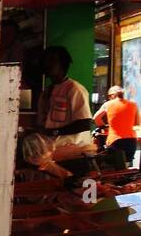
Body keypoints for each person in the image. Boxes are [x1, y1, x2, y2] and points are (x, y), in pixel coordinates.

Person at [21, 45, 95, 176]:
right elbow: (42, 123)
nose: (47, 64)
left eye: (52, 60)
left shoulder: (74, 89)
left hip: (72, 152)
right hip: (50, 151)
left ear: (62, 64)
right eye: (45, 61)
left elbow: (84, 123)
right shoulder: (46, 92)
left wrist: (53, 132)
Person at [94, 85, 138, 169]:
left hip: (115, 141)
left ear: (112, 96)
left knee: (113, 167)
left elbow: (96, 118)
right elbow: (136, 123)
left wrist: (103, 126)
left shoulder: (108, 104)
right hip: (131, 142)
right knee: (126, 167)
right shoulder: (133, 105)